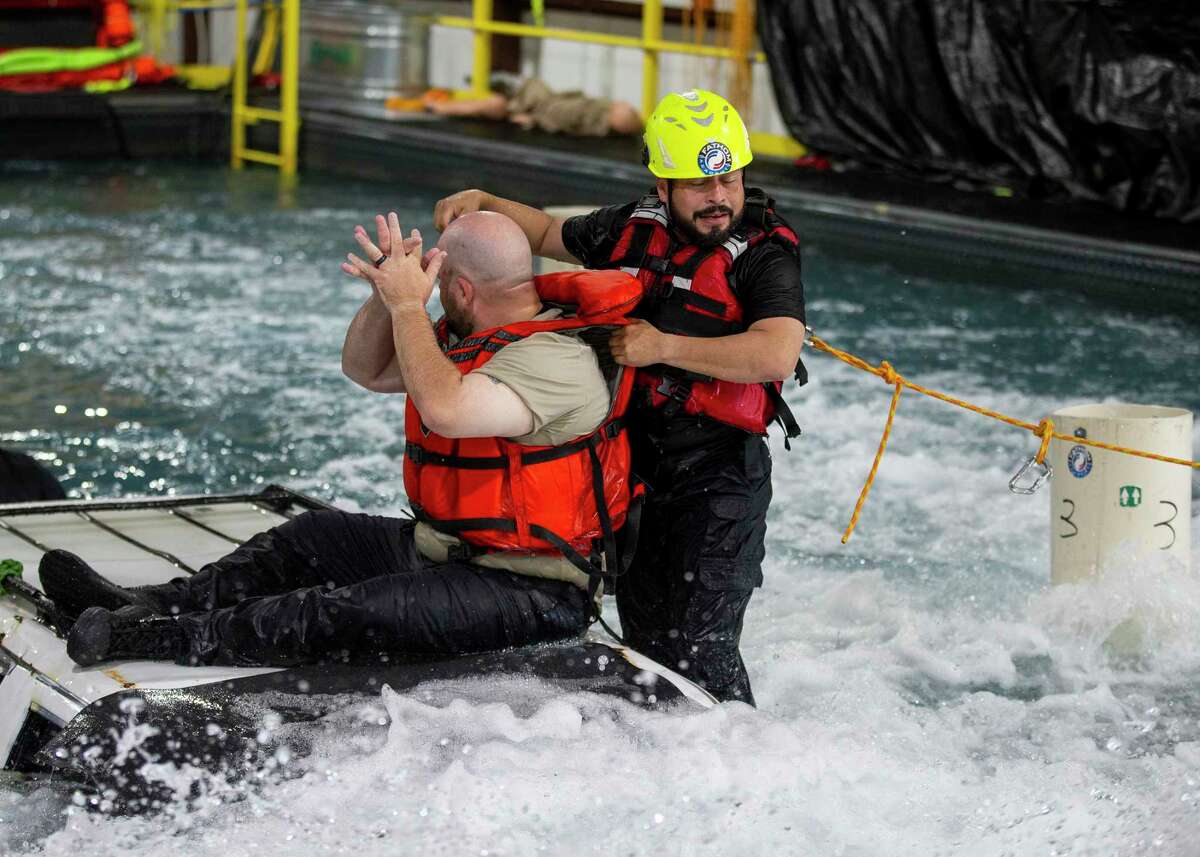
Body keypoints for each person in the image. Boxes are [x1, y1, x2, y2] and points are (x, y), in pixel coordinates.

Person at [41, 211, 642, 667]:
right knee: (310, 537)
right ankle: (150, 602)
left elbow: (447, 409)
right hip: (442, 550)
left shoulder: (558, 359)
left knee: (343, 611)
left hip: (530, 591)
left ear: (458, 290)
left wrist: (411, 305)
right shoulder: (475, 331)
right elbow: (367, 370)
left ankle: (154, 638)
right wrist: (388, 298)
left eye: (438, 283)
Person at [431, 89, 807, 705]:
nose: (719, 197)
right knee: (649, 647)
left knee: (703, 649)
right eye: (699, 184)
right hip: (636, 477)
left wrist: (660, 347)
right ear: (663, 187)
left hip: (717, 479)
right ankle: (667, 772)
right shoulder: (635, 227)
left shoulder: (764, 256)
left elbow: (775, 353)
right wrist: (486, 202)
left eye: (729, 179)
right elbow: (551, 232)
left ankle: (745, 766)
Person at [423, 77, 643, 137]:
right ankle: (439, 106)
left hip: (544, 104)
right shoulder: (601, 112)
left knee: (497, 104)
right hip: (543, 102)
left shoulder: (598, 115)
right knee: (497, 104)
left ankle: (439, 106)